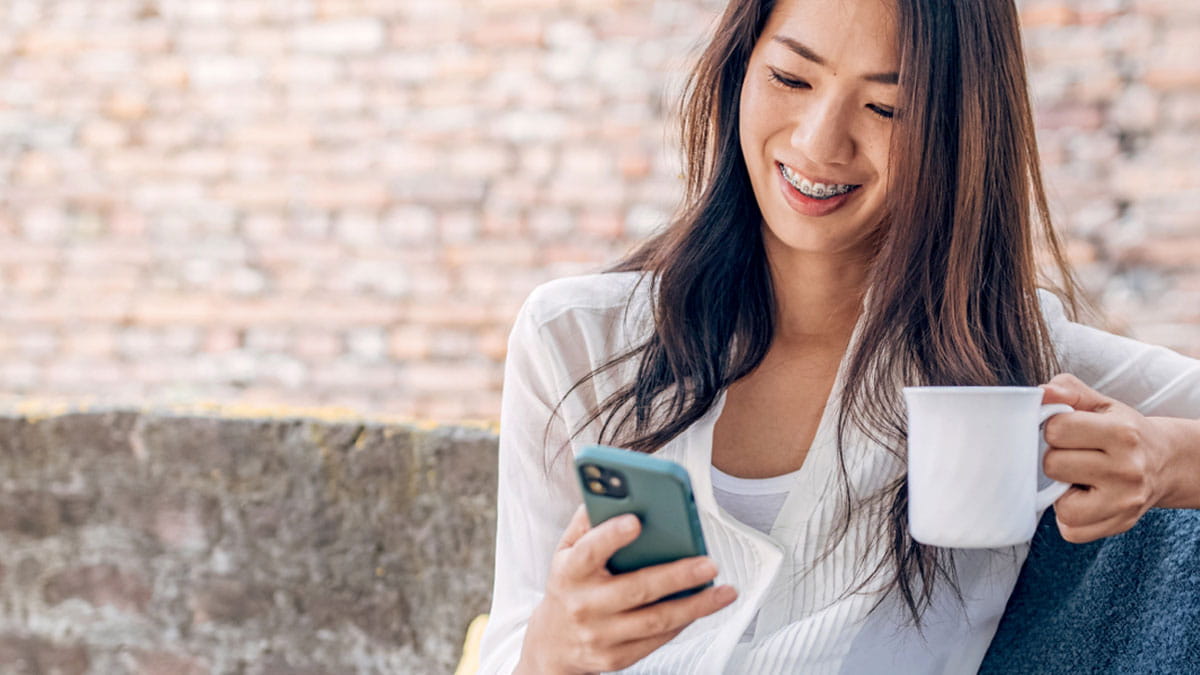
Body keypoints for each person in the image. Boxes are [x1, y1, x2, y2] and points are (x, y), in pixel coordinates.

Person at [478, 0, 1200, 672]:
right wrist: (553, 646)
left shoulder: (1008, 363)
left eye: (887, 106)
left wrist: (1164, 459)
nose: (819, 141)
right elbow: (513, 645)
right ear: (739, 69)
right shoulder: (576, 341)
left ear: (957, 130)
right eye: (790, 77)